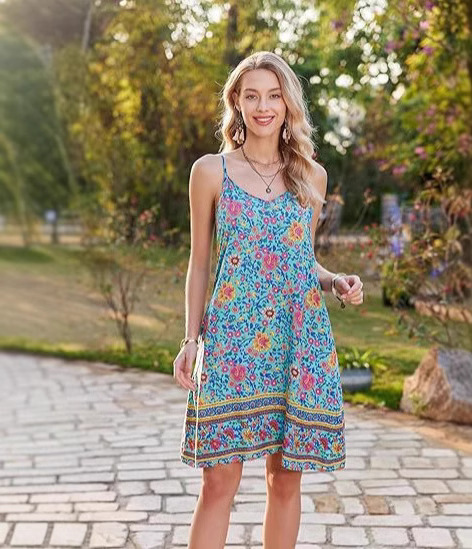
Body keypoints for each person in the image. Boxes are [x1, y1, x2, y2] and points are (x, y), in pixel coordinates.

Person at [173, 51, 364, 549]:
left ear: (287, 104)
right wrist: (190, 340)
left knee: (284, 481)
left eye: (274, 96)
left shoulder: (311, 176)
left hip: (295, 341)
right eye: (252, 95)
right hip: (232, 342)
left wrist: (335, 281)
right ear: (236, 101)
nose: (263, 107)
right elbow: (200, 263)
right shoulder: (210, 172)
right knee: (219, 483)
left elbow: (301, 259)